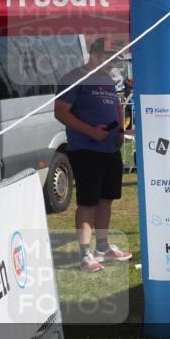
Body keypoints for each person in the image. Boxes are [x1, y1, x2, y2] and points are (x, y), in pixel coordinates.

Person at [54, 38, 133, 272]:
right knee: (88, 201)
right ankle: (85, 254)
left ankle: (103, 247)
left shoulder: (106, 79)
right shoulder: (73, 77)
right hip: (86, 149)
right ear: (95, 54)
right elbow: (60, 112)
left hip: (110, 148)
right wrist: (90, 131)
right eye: (110, 58)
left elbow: (116, 106)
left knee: (106, 199)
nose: (113, 64)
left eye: (115, 60)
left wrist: (120, 130)